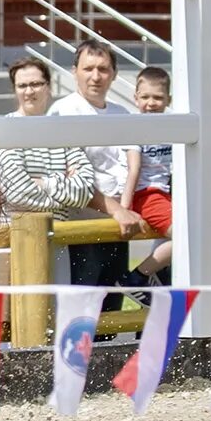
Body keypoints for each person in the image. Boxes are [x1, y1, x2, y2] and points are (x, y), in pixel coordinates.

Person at [48, 41, 143, 316]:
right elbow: (72, 180)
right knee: (82, 311)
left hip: (117, 225)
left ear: (113, 74)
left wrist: (123, 209)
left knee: (111, 309)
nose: (96, 76)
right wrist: (119, 211)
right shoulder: (62, 111)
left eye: (103, 69)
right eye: (88, 68)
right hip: (81, 226)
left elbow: (130, 164)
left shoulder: (121, 113)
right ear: (74, 71)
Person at [0, 58, 95, 215]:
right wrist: (62, 200)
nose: (29, 91)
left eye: (35, 84)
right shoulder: (6, 130)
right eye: (22, 86)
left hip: (58, 236)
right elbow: (16, 194)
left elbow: (85, 191)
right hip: (18, 235)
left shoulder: (62, 133)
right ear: (15, 90)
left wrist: (43, 183)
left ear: (49, 87)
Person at [122, 67, 176, 294]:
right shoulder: (136, 127)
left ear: (168, 99)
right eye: (145, 97)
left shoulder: (174, 127)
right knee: (187, 235)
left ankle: (154, 276)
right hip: (147, 194)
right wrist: (124, 208)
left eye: (158, 98)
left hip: (165, 195)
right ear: (135, 98)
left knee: (199, 231)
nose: (151, 103)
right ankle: (137, 278)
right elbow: (134, 169)